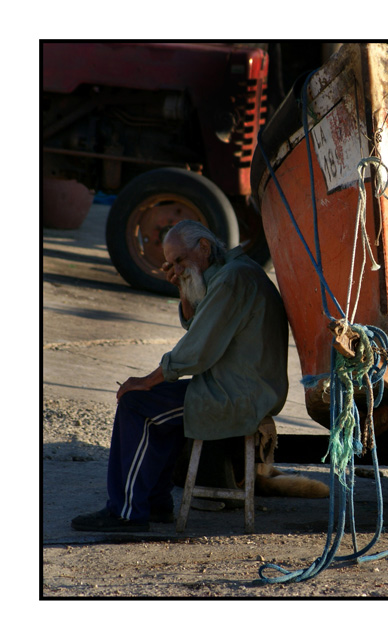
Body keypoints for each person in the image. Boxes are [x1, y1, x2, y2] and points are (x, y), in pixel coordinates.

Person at [71, 220, 290, 532]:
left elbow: (196, 352)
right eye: (170, 264)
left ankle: (126, 513)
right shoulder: (230, 272)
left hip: (238, 397)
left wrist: (146, 381)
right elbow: (197, 325)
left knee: (137, 403)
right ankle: (156, 505)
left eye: (180, 261)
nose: (175, 268)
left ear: (203, 247)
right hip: (234, 390)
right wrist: (182, 286)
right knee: (153, 404)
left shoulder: (233, 279)